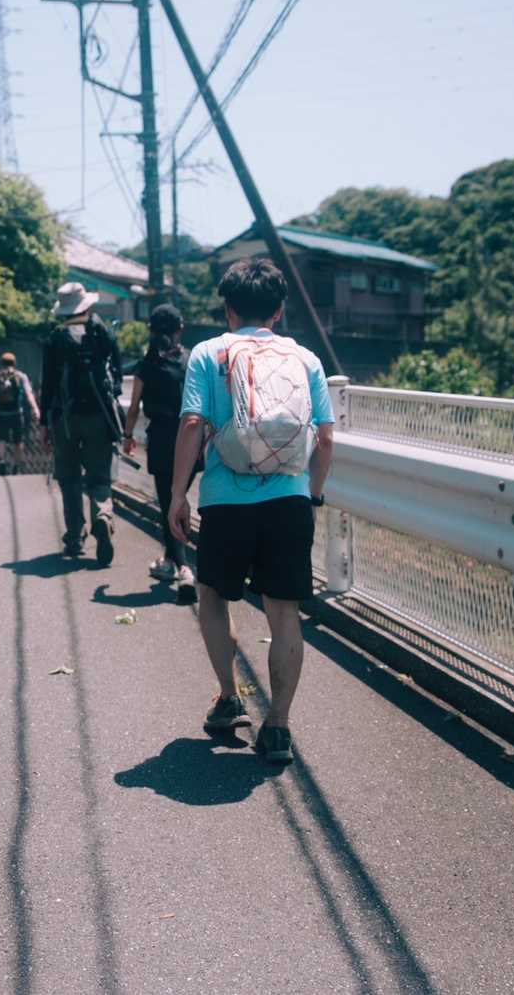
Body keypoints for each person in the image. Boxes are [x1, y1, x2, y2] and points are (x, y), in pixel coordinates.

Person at [167, 257, 335, 763]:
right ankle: (278, 726)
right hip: (289, 499)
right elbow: (326, 439)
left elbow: (192, 424)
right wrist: (312, 493)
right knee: (284, 611)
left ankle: (229, 697)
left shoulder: (208, 353)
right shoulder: (305, 359)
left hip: (226, 501)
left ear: (229, 308)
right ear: (280, 310)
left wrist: (178, 495)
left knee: (214, 596)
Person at [39, 281, 123, 565]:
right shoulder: (101, 332)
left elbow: (48, 385)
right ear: (86, 305)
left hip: (64, 419)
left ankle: (75, 536)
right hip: (98, 415)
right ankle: (102, 515)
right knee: (99, 476)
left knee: (69, 477)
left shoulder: (55, 339)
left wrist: (44, 423)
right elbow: (117, 374)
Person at [122, 304, 198, 604]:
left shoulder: (147, 364)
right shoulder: (190, 361)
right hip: (191, 440)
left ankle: (185, 569)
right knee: (176, 500)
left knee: (169, 503)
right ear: (180, 329)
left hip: (162, 442)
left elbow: (133, 407)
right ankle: (169, 561)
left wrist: (128, 436)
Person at [0, 351, 39, 476]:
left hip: (1, 413)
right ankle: (16, 465)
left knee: (1, 439)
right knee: (18, 440)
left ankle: (2, 461)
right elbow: (29, 394)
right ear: (14, 363)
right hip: (17, 413)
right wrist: (35, 408)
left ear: (1, 363)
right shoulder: (21, 376)